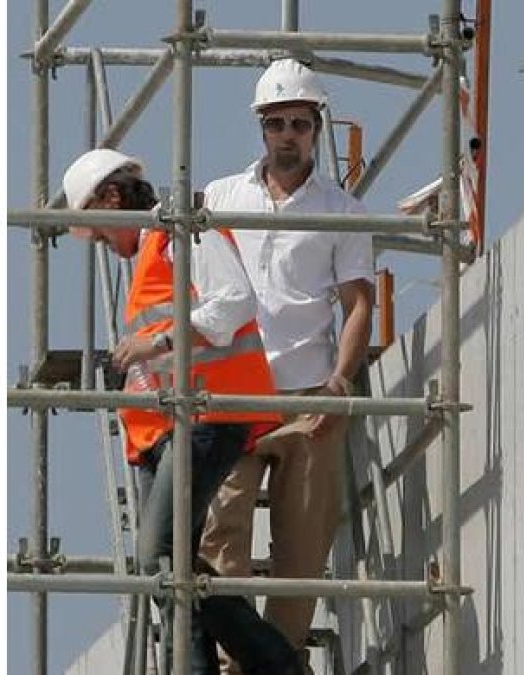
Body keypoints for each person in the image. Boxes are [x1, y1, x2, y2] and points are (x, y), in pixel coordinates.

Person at [61, 148, 303, 675]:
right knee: (170, 571)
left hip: (212, 415)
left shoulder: (183, 229)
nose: (102, 244)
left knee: (158, 560)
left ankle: (280, 666)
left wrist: (157, 343)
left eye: (98, 230)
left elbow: (234, 302)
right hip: (180, 423)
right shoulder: (153, 252)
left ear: (111, 198)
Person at [197, 59, 376, 674]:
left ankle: (275, 662)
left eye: (300, 122)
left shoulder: (341, 210)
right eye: (277, 123)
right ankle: (232, 660)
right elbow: (194, 287)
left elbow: (359, 305)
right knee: (221, 534)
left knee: (302, 548)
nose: (288, 134)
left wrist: (339, 384)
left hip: (307, 398)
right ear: (261, 128)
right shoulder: (223, 198)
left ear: (317, 128)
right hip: (235, 393)